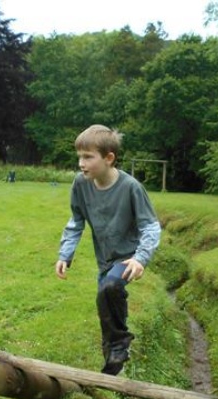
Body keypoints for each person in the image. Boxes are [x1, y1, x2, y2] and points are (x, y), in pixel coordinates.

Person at [55, 125, 161, 375]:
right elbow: (76, 221)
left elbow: (151, 226)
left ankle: (120, 345)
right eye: (79, 157)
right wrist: (65, 254)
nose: (81, 163)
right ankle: (113, 367)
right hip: (104, 259)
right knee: (106, 308)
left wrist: (141, 258)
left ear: (109, 158)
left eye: (88, 157)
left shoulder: (131, 187)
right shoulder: (81, 184)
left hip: (128, 257)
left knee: (110, 288)